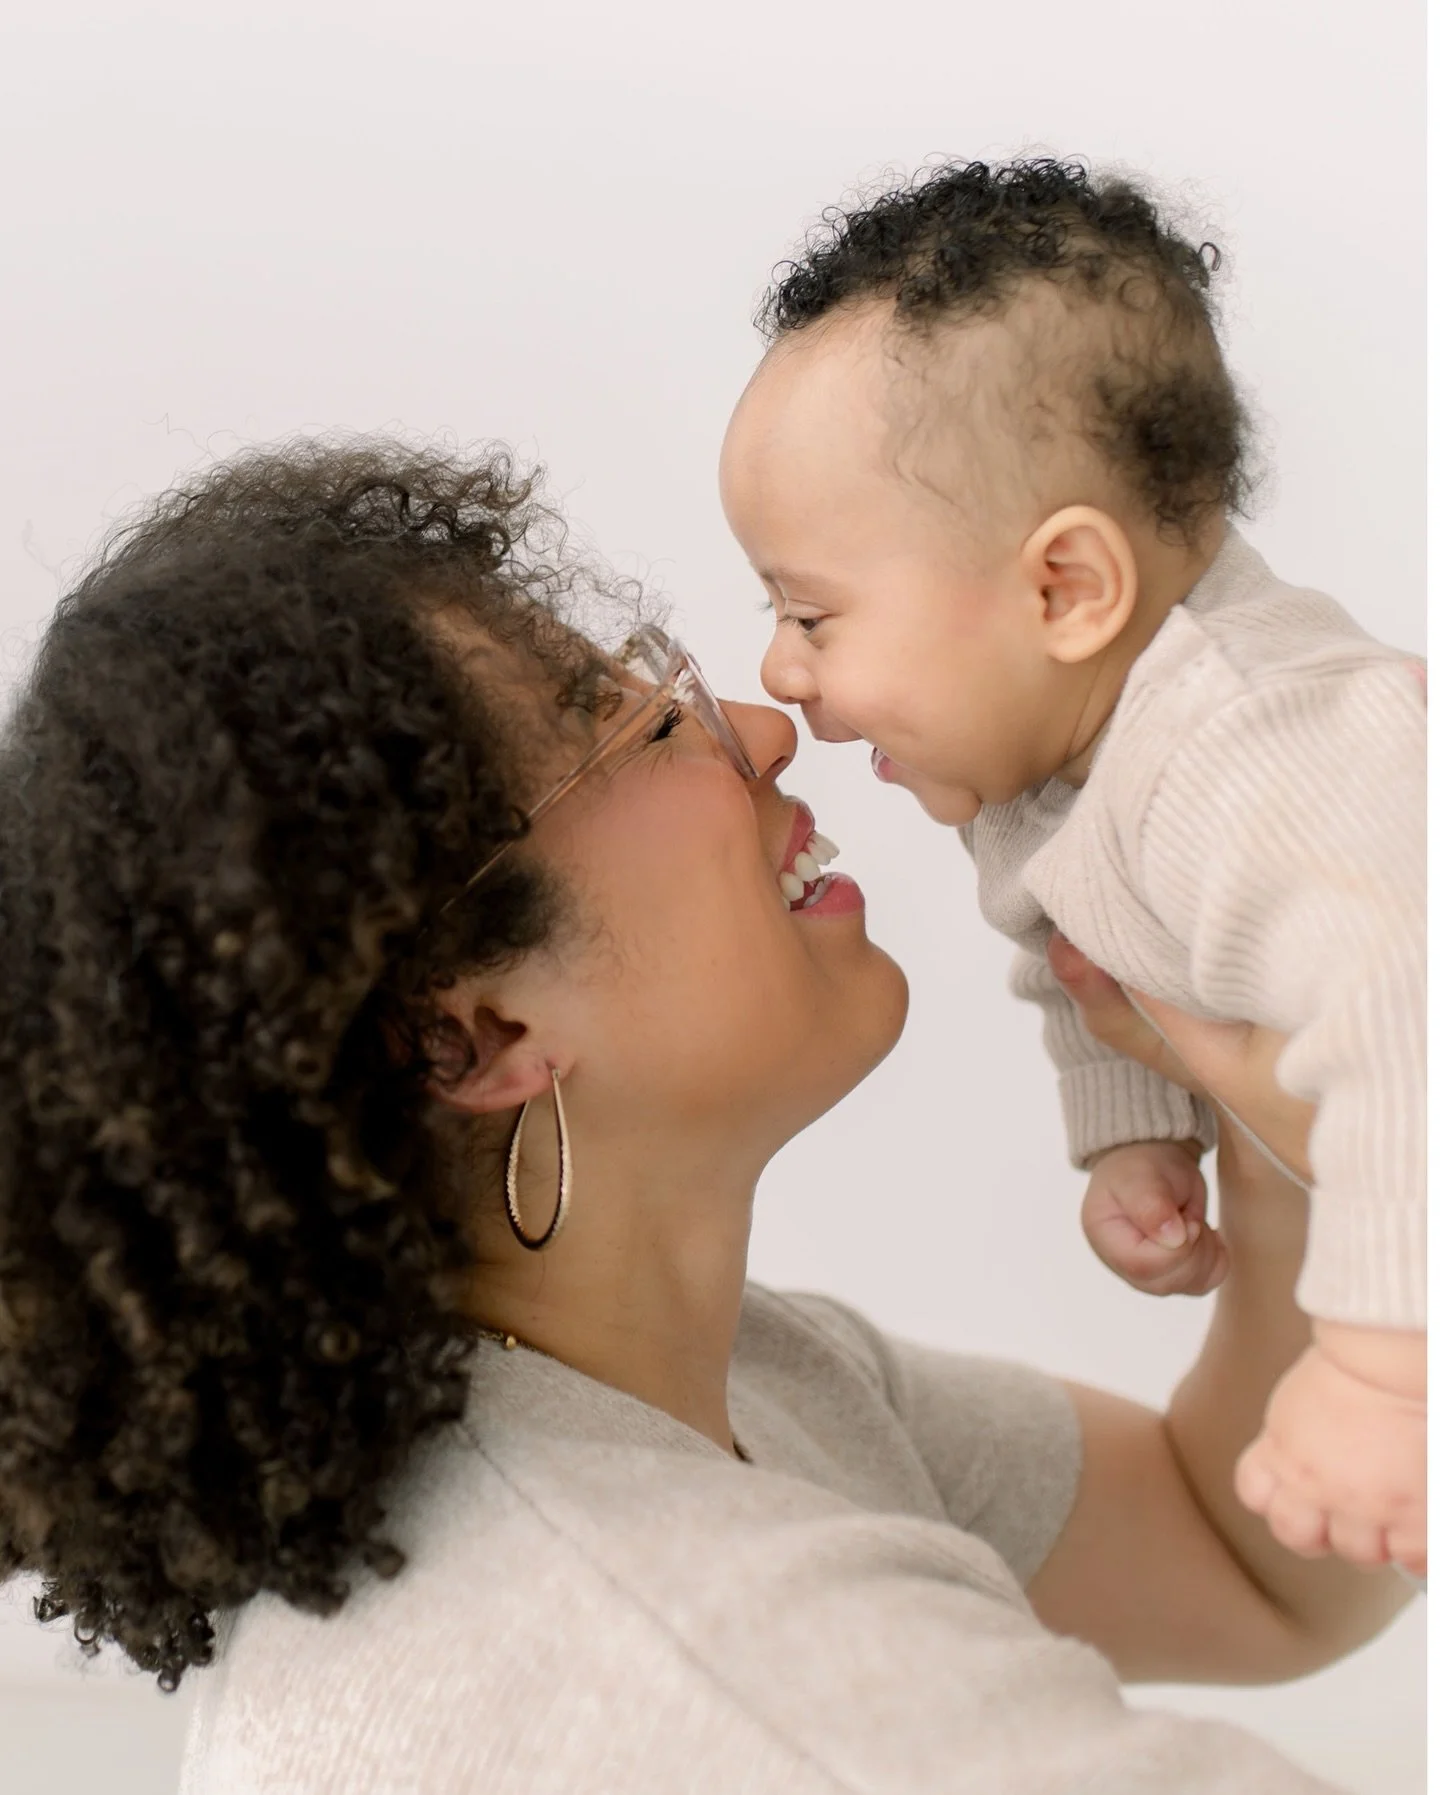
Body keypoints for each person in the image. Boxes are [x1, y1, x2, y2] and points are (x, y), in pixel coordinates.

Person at [0, 441, 1408, 1794]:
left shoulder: (748, 1387)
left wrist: (1301, 1059)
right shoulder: (691, 1657)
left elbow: (1255, 1561)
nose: (763, 726)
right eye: (632, 723)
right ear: (473, 1030)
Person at [719, 157, 1425, 1575]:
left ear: (1064, 590)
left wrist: (1384, 1372)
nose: (780, 673)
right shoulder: (1052, 765)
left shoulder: (1244, 751)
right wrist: (1134, 1124)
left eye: (813, 612)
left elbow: (1410, 1018)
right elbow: (1079, 951)